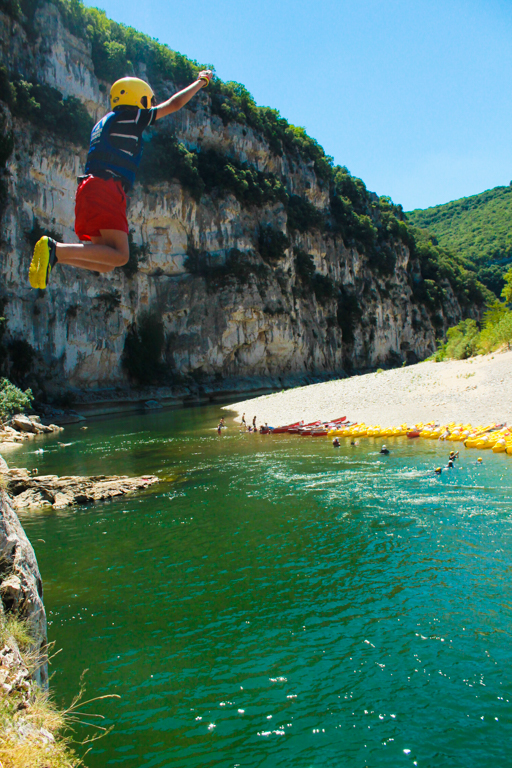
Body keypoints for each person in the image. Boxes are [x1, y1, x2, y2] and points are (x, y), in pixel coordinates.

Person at [28, 72, 212, 289]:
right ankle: (55, 248)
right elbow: (175, 104)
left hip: (88, 188)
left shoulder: (104, 123)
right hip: (106, 188)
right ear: (139, 99)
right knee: (122, 255)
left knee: (105, 263)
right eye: (147, 102)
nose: (149, 106)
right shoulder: (132, 117)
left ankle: (56, 256)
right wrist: (201, 81)